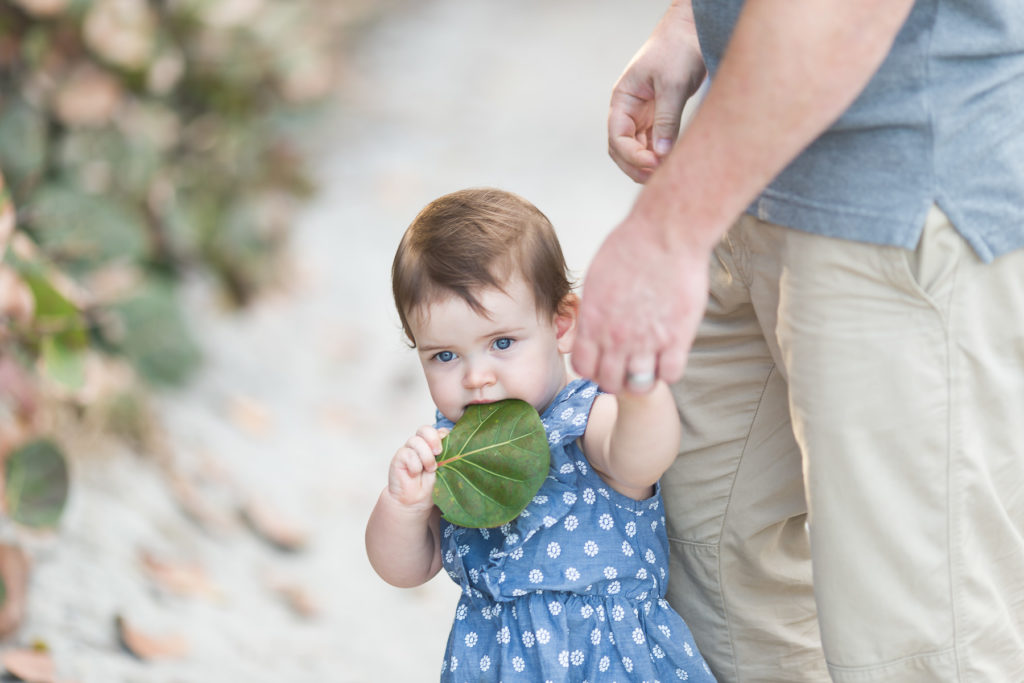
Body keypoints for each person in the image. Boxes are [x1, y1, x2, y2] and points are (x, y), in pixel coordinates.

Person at [573, 1, 1024, 682]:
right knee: (723, 600)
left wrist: (667, 233)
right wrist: (695, 22)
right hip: (748, 180)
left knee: (919, 647)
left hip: (897, 201)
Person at [365, 187, 716, 681]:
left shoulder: (585, 418)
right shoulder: (454, 449)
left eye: (502, 343)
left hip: (608, 661)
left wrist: (642, 390)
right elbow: (403, 570)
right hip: (496, 664)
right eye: (445, 355)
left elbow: (641, 459)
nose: (476, 376)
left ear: (562, 324)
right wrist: (402, 506)